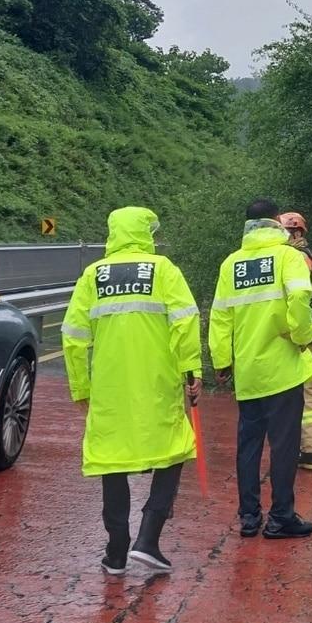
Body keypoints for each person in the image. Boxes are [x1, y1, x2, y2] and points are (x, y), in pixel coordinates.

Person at [61, 206, 202, 576]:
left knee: (112, 458)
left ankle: (117, 550)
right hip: (157, 382)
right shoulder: (164, 270)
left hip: (108, 386)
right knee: (174, 448)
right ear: (146, 234)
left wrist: (80, 387)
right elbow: (186, 321)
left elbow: (73, 336)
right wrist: (191, 370)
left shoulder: (93, 275)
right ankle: (149, 539)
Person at [209, 198, 312, 539]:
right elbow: (300, 299)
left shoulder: (232, 264)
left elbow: (219, 316)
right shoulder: (288, 257)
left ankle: (249, 517)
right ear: (276, 222)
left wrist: (222, 361)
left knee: (249, 446)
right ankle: (281, 517)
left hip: (249, 372)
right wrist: (302, 337)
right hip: (283, 369)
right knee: (284, 446)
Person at [278, 212, 312, 471]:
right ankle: (311, 452)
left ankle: (294, 450)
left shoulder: (290, 259)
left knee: (292, 392)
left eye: (286, 233)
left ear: (297, 233)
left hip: (301, 335)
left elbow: (292, 298)